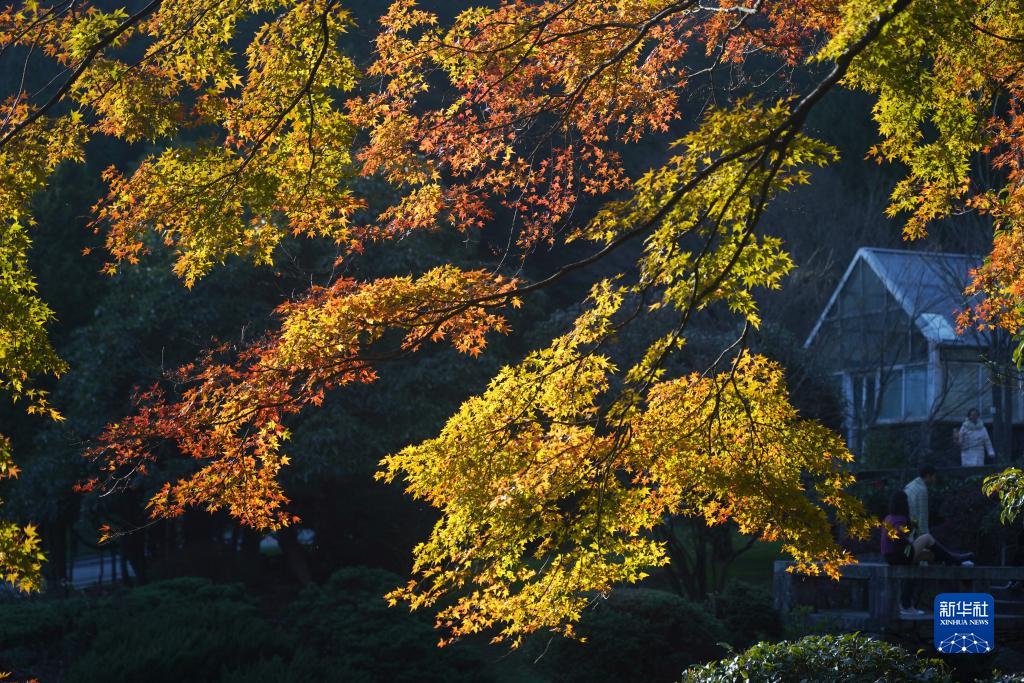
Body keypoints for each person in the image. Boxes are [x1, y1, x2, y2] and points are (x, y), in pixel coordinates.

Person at [882, 490, 974, 617]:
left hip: (891, 556)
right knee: (926, 538)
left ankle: (906, 604)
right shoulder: (899, 519)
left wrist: (907, 537)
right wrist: (907, 539)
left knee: (928, 555)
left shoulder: (889, 517)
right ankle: (955, 559)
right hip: (900, 554)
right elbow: (898, 532)